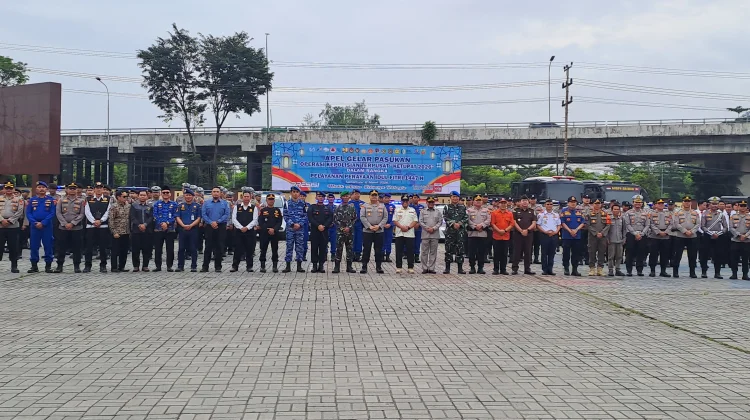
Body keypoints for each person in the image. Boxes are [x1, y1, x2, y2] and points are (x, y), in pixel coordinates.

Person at [26, 181, 56, 273]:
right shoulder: (32, 200)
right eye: (39, 187)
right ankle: (34, 265)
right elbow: (28, 213)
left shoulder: (51, 200)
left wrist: (43, 222)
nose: (41, 189)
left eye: (43, 187)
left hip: (46, 225)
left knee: (48, 245)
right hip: (35, 226)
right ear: (36, 189)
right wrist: (35, 222)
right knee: (34, 245)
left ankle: (48, 266)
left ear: (46, 189)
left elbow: (52, 212)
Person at [670, 195, 700, 278]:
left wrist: (691, 231)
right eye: (685, 201)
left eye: (688, 201)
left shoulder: (695, 213)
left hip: (692, 236)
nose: (687, 203)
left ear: (691, 203)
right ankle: (675, 271)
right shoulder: (678, 213)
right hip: (680, 236)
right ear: (682, 203)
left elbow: (698, 224)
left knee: (692, 255)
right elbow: (676, 223)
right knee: (678, 254)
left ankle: (692, 272)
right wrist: (684, 231)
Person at [201, 187, 230, 272]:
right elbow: (204, 214)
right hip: (209, 226)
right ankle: (205, 266)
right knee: (208, 247)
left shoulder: (225, 203)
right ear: (211, 193)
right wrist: (211, 222)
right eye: (214, 191)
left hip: (221, 226)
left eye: (217, 191)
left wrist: (217, 222)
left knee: (219, 246)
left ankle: (218, 267)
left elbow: (226, 214)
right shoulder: (206, 203)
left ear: (220, 193)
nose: (216, 193)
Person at [699, 196, 728, 279]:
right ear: (709, 204)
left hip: (718, 236)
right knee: (704, 255)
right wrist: (711, 233)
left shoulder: (721, 215)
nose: (714, 206)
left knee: (718, 254)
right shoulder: (705, 214)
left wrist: (718, 233)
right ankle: (704, 272)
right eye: (713, 204)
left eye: (716, 204)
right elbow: (702, 226)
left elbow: (725, 227)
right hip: (707, 236)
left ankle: (717, 272)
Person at [360, 190, 388, 274]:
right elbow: (362, 217)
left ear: (378, 197)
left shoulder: (382, 206)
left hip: (379, 231)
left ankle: (378, 267)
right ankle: (364, 267)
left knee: (378, 250)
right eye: (372, 195)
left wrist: (379, 226)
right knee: (366, 249)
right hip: (367, 231)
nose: (374, 197)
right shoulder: (364, 206)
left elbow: (385, 217)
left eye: (376, 195)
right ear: (369, 196)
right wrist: (369, 226)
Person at [230, 191, 258, 273]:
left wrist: (247, 227)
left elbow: (255, 219)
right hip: (239, 232)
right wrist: (241, 227)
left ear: (250, 198)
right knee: (237, 249)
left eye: (247, 196)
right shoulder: (237, 207)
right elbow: (234, 219)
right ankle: (235, 266)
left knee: (250, 249)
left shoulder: (254, 208)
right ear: (242, 197)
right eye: (245, 196)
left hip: (250, 232)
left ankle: (249, 266)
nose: (246, 198)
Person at [0, 181, 24, 273]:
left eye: (10, 188)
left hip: (13, 226)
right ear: (4, 189)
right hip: (1, 225)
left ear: (13, 189)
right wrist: (2, 220)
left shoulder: (19, 200)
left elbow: (20, 212)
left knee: (13, 247)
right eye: (7, 188)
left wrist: (10, 221)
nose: (9, 190)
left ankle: (14, 266)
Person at [152, 186, 178, 272]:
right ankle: (158, 266)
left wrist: (167, 223)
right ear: (161, 194)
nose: (165, 194)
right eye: (164, 192)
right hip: (158, 229)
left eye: (167, 192)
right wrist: (162, 223)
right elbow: (155, 215)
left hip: (170, 229)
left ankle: (169, 266)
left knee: (170, 249)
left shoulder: (174, 204)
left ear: (170, 194)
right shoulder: (157, 204)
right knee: (158, 249)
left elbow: (175, 215)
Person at [176, 189, 202, 272]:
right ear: (184, 196)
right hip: (182, 229)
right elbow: (177, 217)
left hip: (193, 229)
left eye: (190, 195)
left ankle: (194, 266)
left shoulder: (197, 206)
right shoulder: (180, 206)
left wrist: (191, 225)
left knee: (193, 248)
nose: (188, 197)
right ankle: (180, 266)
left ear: (193, 196)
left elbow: (199, 218)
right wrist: (183, 225)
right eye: (186, 195)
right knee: (181, 248)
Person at [623, 195, 650, 277]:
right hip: (631, 234)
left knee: (641, 253)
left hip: (642, 234)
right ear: (633, 203)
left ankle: (639, 270)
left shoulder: (646, 213)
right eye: (636, 202)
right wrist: (635, 234)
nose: (638, 204)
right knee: (630, 253)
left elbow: (647, 225)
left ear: (642, 203)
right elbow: (627, 224)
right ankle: (629, 270)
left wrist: (642, 234)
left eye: (639, 202)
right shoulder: (628, 213)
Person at [283, 186, 307, 273]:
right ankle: (288, 266)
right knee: (289, 247)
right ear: (291, 193)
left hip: (300, 229)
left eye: (297, 192)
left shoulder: (303, 204)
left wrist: (299, 224)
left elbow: (305, 216)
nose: (295, 194)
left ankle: (299, 266)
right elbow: (285, 216)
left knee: (299, 247)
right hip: (290, 229)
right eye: (294, 192)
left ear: (299, 193)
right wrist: (293, 224)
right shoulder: (287, 203)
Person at [308, 192, 333, 273]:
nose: (321, 198)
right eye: (319, 196)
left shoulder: (328, 208)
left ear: (324, 198)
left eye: (322, 196)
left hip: (324, 231)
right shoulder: (312, 207)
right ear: (316, 197)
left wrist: (324, 226)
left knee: (323, 248)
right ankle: (314, 265)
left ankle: (321, 265)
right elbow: (310, 218)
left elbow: (330, 218)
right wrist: (318, 225)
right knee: (314, 248)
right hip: (314, 230)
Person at [443, 191, 468, 274]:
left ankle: (460, 268)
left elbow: (466, 218)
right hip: (450, 232)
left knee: (460, 250)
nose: (455, 198)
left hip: (460, 232)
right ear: (450, 198)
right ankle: (447, 268)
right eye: (453, 197)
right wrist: (453, 223)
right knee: (448, 250)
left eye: (456, 197)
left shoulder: (463, 207)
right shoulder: (446, 207)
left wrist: (459, 223)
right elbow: (445, 217)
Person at [332, 191, 357, 274]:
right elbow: (335, 220)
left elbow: (354, 218)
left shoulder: (352, 207)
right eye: (344, 196)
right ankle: (337, 267)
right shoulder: (337, 208)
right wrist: (342, 228)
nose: (345, 198)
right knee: (339, 249)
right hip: (340, 232)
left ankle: (349, 267)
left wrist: (349, 227)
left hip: (350, 232)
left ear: (349, 197)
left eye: (347, 196)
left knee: (349, 249)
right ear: (341, 197)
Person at [647, 198, 673, 278]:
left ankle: (663, 271)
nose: (661, 205)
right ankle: (652, 271)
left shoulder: (668, 213)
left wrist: (666, 232)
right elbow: (650, 224)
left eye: (662, 203)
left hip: (665, 236)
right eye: (659, 203)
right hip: (655, 236)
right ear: (656, 205)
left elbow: (671, 224)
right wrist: (658, 232)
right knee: (653, 254)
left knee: (664, 254)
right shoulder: (651, 213)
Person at [559, 196, 584, 276]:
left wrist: (576, 230)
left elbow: (583, 222)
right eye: (571, 202)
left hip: (577, 236)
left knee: (576, 253)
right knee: (566, 253)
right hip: (567, 236)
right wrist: (570, 231)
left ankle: (575, 269)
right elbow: (562, 222)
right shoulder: (564, 211)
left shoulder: (579, 212)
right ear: (568, 203)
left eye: (574, 202)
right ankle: (566, 268)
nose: (573, 204)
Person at [393, 194, 418, 274]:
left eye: (406, 201)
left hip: (409, 233)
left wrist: (408, 227)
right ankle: (399, 267)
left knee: (410, 251)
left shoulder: (412, 210)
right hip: (399, 233)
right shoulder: (397, 209)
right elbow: (395, 220)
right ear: (401, 201)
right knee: (399, 251)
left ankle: (410, 267)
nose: (405, 202)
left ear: (408, 202)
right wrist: (402, 227)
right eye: (403, 201)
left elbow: (415, 220)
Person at [512, 195, 537, 275]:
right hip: (518, 234)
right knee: (517, 251)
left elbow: (534, 222)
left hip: (528, 234)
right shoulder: (515, 211)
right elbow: (514, 222)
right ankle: (515, 268)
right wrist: (521, 230)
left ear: (528, 202)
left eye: (526, 200)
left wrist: (527, 230)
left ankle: (527, 269)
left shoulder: (532, 211)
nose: (524, 202)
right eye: (523, 201)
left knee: (528, 251)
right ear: (520, 202)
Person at [129, 190, 154, 272]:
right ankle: (136, 266)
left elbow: (151, 217)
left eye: (144, 195)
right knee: (135, 249)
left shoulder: (150, 206)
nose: (142, 196)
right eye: (141, 195)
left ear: (147, 196)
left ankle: (145, 266)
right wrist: (139, 225)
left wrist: (145, 224)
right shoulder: (134, 205)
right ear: (138, 196)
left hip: (147, 230)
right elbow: (132, 217)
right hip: (136, 230)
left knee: (146, 249)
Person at [258, 194, 282, 273]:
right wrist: (267, 229)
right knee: (263, 249)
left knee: (275, 249)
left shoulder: (277, 210)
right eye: (269, 199)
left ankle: (275, 266)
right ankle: (262, 266)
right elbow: (260, 221)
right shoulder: (263, 210)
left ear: (274, 201)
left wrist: (274, 229)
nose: (271, 201)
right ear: (267, 201)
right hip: (265, 233)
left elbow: (279, 221)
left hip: (274, 233)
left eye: (272, 199)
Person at [466, 195, 491, 274]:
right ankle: (472, 267)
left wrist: (482, 225)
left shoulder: (486, 210)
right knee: (472, 252)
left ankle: (481, 267)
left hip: (482, 234)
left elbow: (488, 220)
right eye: (476, 200)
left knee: (482, 252)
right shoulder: (469, 210)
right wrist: (475, 226)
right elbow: (467, 220)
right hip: (472, 234)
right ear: (473, 202)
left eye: (479, 200)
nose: (478, 202)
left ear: (482, 202)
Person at [491, 197, 516, 275]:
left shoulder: (510, 213)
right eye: (501, 203)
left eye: (504, 203)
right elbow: (492, 223)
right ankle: (496, 269)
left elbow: (512, 224)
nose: (503, 205)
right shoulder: (494, 213)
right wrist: (499, 231)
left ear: (506, 204)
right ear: (499, 204)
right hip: (496, 236)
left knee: (504, 254)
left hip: (506, 236)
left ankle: (503, 269)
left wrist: (505, 230)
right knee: (496, 253)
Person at [586, 199, 611, 277]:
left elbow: (608, 225)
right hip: (592, 236)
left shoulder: (605, 214)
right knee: (592, 252)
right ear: (593, 204)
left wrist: (602, 233)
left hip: (602, 237)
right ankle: (592, 268)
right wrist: (596, 233)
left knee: (602, 252)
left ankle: (600, 268)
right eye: (595, 203)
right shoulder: (589, 214)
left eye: (598, 204)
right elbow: (588, 225)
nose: (597, 205)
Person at [536, 199, 561, 276]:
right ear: (545, 205)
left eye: (551, 204)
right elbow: (538, 225)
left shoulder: (556, 215)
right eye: (548, 204)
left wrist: (555, 232)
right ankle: (544, 269)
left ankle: (550, 269)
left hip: (554, 235)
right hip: (545, 235)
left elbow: (559, 225)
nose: (549, 206)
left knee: (552, 253)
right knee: (544, 253)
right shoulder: (541, 215)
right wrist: (545, 231)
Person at [109, 191, 131, 273]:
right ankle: (114, 267)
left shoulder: (128, 206)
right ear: (118, 197)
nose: (126, 198)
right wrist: (114, 231)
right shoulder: (114, 206)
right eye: (124, 196)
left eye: (127, 196)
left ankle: (122, 266)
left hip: (126, 232)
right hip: (117, 232)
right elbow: (111, 220)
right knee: (115, 251)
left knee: (124, 251)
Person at [419, 196, 442, 274]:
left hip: (435, 234)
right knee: (424, 252)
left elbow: (440, 222)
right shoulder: (422, 211)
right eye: (429, 202)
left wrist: (434, 228)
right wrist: (427, 228)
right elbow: (420, 221)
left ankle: (432, 268)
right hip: (425, 234)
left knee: (433, 252)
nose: (431, 203)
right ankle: (424, 268)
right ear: (427, 202)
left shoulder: (438, 212)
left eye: (432, 202)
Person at [728, 200, 750, 280]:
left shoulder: (749, 216)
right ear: (738, 207)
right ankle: (734, 274)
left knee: (745, 259)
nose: (743, 208)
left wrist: (746, 235)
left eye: (744, 206)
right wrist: (738, 235)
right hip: (736, 240)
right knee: (734, 258)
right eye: (741, 206)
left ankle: (745, 274)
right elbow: (731, 227)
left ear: (746, 207)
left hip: (746, 240)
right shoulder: (733, 216)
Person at [607, 203, 626, 276]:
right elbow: (607, 230)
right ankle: (610, 270)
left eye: (618, 209)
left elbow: (624, 229)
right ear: (612, 210)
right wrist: (607, 238)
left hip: (620, 240)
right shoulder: (609, 219)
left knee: (619, 256)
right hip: (611, 240)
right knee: (611, 256)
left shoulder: (622, 219)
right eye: (615, 209)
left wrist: (624, 238)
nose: (616, 211)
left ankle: (618, 269)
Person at [350, 190, 364, 261]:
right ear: (352, 195)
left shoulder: (363, 204)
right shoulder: (349, 203)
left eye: (358, 194)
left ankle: (358, 255)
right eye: (355, 194)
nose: (357, 195)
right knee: (351, 240)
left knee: (359, 239)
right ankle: (351, 255)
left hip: (360, 224)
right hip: (351, 224)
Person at [410, 194, 424, 264]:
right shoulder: (409, 207)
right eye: (414, 198)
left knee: (417, 243)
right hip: (411, 228)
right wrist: (413, 224)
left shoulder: (422, 207)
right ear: (412, 199)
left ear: (419, 199)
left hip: (419, 228)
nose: (415, 199)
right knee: (410, 243)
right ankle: (410, 256)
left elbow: (423, 217)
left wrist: (419, 223)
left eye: (417, 198)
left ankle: (417, 256)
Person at [530, 195, 544, 265]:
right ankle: (529, 258)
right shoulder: (527, 207)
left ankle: (536, 258)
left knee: (537, 245)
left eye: (534, 199)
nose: (533, 200)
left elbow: (542, 214)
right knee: (529, 245)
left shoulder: (540, 206)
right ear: (529, 200)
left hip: (538, 229)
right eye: (531, 199)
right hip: (530, 228)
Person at [381, 193, 395, 262]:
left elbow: (395, 217)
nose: (386, 199)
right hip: (381, 227)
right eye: (385, 198)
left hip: (389, 227)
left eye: (388, 198)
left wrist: (391, 224)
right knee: (381, 241)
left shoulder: (392, 206)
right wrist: (382, 224)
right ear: (383, 198)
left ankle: (387, 256)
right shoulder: (380, 206)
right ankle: (382, 255)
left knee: (389, 241)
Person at [327, 193, 337, 262]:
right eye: (329, 197)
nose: (331, 199)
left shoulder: (337, 207)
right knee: (325, 241)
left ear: (334, 199)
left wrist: (333, 223)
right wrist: (327, 224)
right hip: (326, 227)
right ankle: (324, 254)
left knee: (334, 241)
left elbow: (338, 217)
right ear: (327, 198)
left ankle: (333, 254)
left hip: (334, 227)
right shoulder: (324, 207)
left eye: (332, 197)